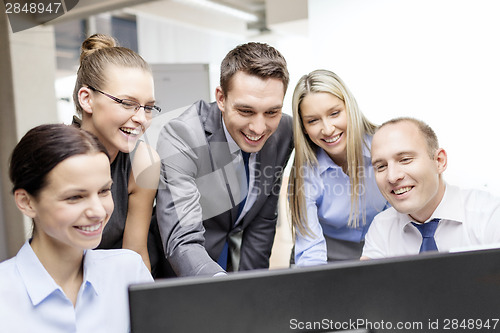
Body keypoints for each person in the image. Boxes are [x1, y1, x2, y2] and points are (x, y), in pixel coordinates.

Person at [152, 42, 294, 277]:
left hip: (235, 265)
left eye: (271, 112)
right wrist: (220, 288)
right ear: (221, 98)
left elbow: (262, 220)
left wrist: (250, 293)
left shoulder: (283, 130)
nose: (259, 128)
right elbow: (182, 239)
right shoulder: (182, 135)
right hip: (182, 273)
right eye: (246, 111)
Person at [0, 124, 153, 332]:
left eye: (104, 191)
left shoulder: (128, 271)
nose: (98, 211)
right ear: (27, 202)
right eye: (75, 197)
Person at [73, 33, 160, 271]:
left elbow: (135, 256)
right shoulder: (56, 158)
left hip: (115, 284)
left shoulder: (144, 161)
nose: (141, 118)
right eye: (127, 103)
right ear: (87, 99)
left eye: (149, 107)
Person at [288, 69, 388, 266]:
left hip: (382, 252)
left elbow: (404, 217)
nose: (327, 129)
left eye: (334, 113)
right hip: (325, 257)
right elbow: (310, 251)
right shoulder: (306, 171)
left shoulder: (384, 146)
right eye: (313, 121)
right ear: (304, 128)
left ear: (349, 108)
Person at [362, 117, 500, 259]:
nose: (392, 177)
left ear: (439, 161)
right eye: (381, 166)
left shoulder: (490, 216)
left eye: (405, 159)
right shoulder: (381, 228)